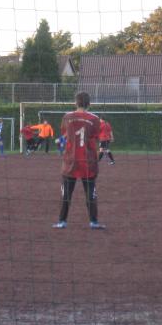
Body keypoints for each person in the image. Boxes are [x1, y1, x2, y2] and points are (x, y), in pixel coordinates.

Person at [52, 92, 105, 230]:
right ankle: (94, 222)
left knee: (66, 194)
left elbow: (66, 135)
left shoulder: (67, 117)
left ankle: (62, 221)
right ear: (89, 104)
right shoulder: (94, 119)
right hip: (88, 162)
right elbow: (95, 136)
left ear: (75, 103)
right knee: (90, 194)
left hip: (70, 161)